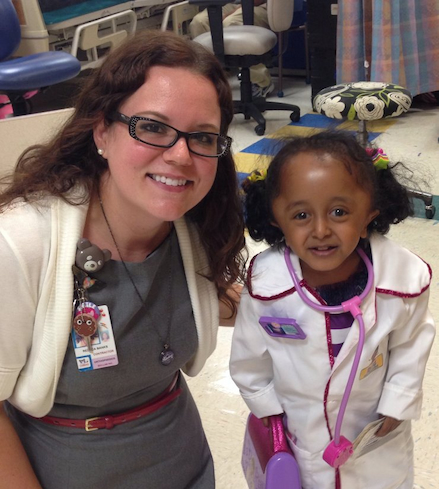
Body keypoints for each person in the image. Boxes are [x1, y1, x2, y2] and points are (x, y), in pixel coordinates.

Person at [0, 30, 246, 488]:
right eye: (152, 127)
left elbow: (204, 301)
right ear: (102, 132)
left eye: (203, 136)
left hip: (186, 465)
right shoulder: (20, 243)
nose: (180, 155)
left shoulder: (194, 226)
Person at [229, 131, 435, 489]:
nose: (321, 230)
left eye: (339, 212)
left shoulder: (403, 280)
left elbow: (411, 345)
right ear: (276, 217)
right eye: (301, 214)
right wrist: (268, 410)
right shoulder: (266, 286)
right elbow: (249, 357)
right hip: (298, 433)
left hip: (373, 438)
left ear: (370, 211)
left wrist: (398, 402)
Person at [189, 1, 274, 98]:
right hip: (229, 3)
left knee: (232, 22)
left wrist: (232, 12)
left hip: (261, 5)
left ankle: (261, 81)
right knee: (199, 22)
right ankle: (212, 80)